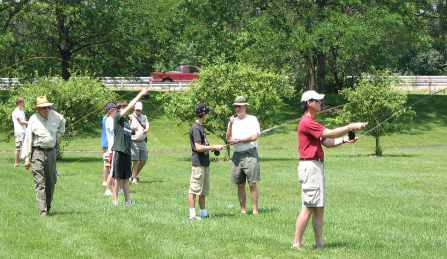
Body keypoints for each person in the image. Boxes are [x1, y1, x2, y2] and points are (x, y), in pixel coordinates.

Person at [292, 90, 366, 249]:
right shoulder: (307, 121)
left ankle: (320, 244)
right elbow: (331, 133)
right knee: (309, 206)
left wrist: (346, 140)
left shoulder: (313, 122)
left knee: (319, 206)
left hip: (316, 166)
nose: (320, 103)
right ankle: (296, 243)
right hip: (310, 166)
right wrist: (351, 126)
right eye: (317, 101)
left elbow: (327, 142)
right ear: (308, 103)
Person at [21, 96, 65, 217]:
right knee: (40, 182)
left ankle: (48, 206)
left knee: (51, 181)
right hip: (38, 152)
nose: (47, 109)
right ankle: (43, 210)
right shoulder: (33, 119)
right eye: (44, 108)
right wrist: (26, 158)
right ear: (39, 109)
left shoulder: (55, 116)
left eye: (48, 107)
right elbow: (28, 139)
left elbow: (63, 121)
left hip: (51, 153)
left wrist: (59, 135)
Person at [110, 86, 149, 205]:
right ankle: (115, 200)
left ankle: (128, 200)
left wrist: (131, 124)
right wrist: (141, 94)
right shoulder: (117, 118)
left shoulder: (127, 122)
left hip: (127, 150)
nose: (124, 110)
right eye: (122, 108)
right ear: (118, 110)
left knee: (126, 177)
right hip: (119, 150)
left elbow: (128, 133)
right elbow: (130, 106)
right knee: (117, 177)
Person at [188, 103, 225, 220]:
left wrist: (214, 147)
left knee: (202, 189)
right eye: (207, 113)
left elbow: (203, 145)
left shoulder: (200, 127)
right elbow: (198, 147)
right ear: (203, 113)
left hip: (204, 162)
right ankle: (192, 215)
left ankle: (203, 213)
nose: (208, 115)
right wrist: (214, 146)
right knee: (194, 189)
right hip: (198, 162)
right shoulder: (196, 128)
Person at [226, 96, 261, 215]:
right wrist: (230, 125)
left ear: (245, 106)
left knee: (252, 183)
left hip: (250, 154)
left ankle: (255, 210)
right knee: (240, 184)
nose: (237, 108)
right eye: (235, 106)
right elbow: (228, 138)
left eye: (239, 106)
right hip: (237, 156)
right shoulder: (233, 121)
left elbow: (254, 136)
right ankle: (243, 210)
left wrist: (240, 140)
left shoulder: (252, 120)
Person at [130, 101, 149, 184]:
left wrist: (146, 130)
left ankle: (132, 176)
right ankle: (134, 179)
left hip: (142, 141)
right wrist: (133, 128)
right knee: (136, 160)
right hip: (134, 141)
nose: (138, 111)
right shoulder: (130, 117)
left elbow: (147, 127)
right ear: (134, 108)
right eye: (137, 110)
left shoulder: (144, 117)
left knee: (143, 160)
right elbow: (127, 128)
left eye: (139, 110)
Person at [104, 102, 117, 196]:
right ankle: (108, 189)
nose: (117, 110)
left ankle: (117, 188)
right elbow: (115, 130)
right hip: (112, 149)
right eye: (115, 109)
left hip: (116, 148)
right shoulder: (109, 120)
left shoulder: (113, 120)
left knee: (116, 170)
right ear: (111, 110)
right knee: (113, 170)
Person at [12, 97, 28, 167]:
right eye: (23, 103)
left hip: (24, 131)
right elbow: (21, 122)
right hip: (19, 132)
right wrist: (30, 122)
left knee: (25, 147)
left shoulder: (22, 112)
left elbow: (24, 120)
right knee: (18, 148)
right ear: (19, 103)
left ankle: (26, 161)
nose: (24, 104)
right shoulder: (16, 112)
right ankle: (16, 163)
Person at [101, 104, 110, 186]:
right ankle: (105, 181)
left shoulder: (107, 118)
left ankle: (109, 180)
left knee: (110, 162)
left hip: (109, 142)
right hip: (107, 142)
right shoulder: (106, 118)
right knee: (107, 162)